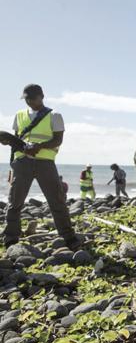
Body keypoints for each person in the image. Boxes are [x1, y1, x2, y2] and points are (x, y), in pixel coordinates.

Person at [0, 84, 81, 250]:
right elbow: (17, 139)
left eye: (32, 98)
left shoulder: (55, 115)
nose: (29, 102)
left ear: (41, 96)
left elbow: (58, 140)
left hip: (45, 163)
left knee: (57, 200)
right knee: (15, 201)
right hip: (22, 163)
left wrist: (40, 146)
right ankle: (10, 239)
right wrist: (7, 141)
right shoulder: (19, 115)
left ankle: (69, 237)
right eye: (26, 99)